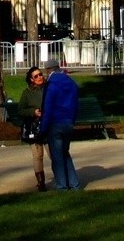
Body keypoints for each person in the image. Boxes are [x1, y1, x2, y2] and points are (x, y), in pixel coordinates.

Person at [39, 60, 81, 191]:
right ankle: (74, 184)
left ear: (48, 70)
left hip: (55, 122)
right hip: (68, 121)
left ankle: (62, 185)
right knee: (65, 153)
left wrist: (43, 128)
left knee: (57, 156)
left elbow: (48, 107)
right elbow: (75, 105)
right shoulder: (71, 82)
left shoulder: (51, 85)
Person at [17, 66, 47, 191]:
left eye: (40, 74)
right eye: (36, 76)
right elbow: (20, 110)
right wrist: (33, 112)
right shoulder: (27, 93)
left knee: (53, 153)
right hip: (34, 127)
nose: (39, 77)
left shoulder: (48, 88)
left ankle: (61, 178)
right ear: (31, 79)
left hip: (48, 125)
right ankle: (41, 182)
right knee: (37, 155)